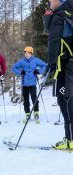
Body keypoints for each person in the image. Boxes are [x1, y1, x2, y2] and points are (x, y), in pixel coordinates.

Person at [44, 0, 73, 149]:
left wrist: (51, 63)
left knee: (66, 99)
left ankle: (71, 139)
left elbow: (54, 40)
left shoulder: (59, 16)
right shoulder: (69, 13)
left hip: (65, 63)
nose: (49, 2)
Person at [12, 46, 47, 124]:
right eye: (25, 53)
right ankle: (27, 114)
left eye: (28, 53)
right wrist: (20, 72)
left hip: (33, 83)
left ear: (31, 53)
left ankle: (36, 113)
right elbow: (14, 67)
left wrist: (38, 71)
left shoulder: (36, 60)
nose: (27, 55)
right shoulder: (22, 61)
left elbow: (45, 65)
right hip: (24, 84)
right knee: (26, 100)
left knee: (34, 98)